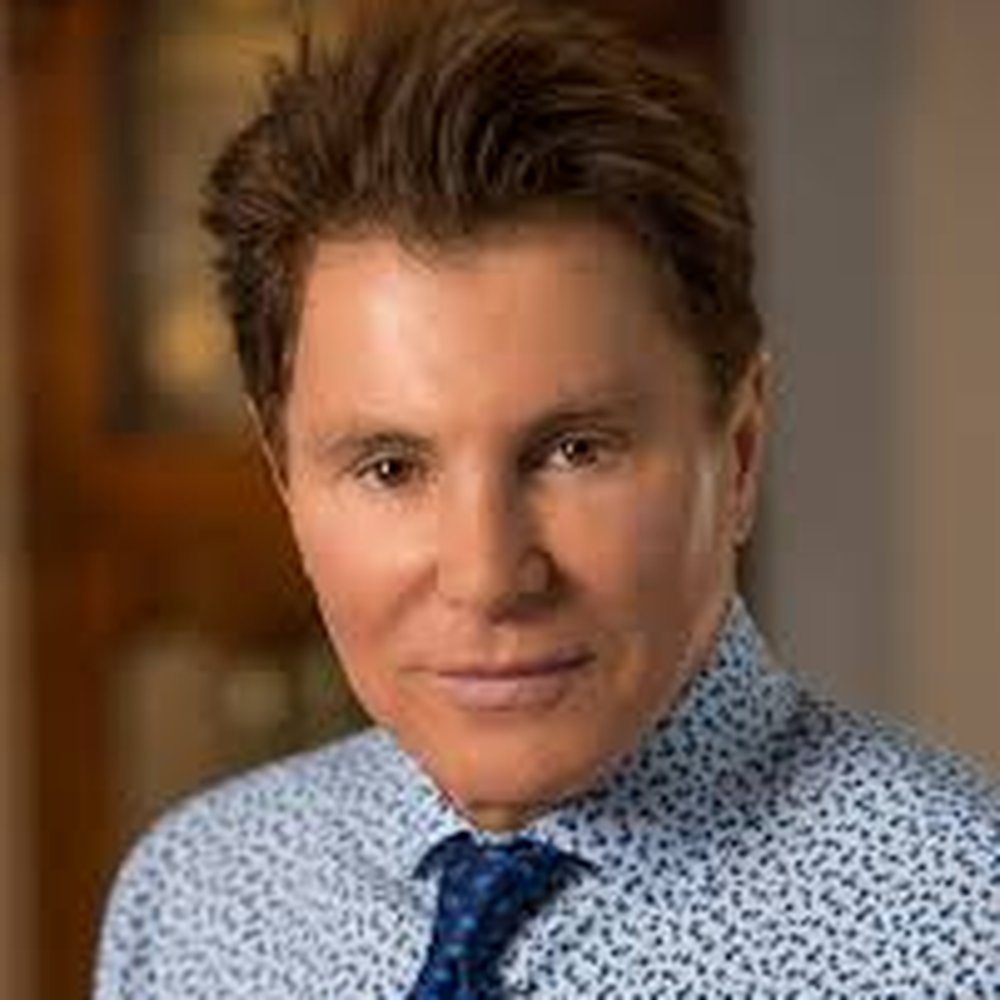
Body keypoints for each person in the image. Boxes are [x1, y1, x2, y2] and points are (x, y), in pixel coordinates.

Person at [94, 1, 998, 996]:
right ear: (285, 481)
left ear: (738, 454)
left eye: (573, 451)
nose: (487, 576)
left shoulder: (965, 927)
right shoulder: (190, 901)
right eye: (391, 468)